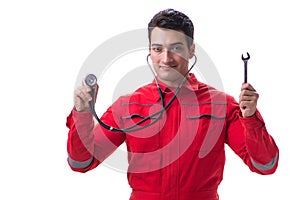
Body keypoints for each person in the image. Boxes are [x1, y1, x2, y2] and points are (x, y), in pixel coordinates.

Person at [66, 8, 279, 200]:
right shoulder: (128, 105)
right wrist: (82, 113)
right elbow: (82, 162)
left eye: (175, 48)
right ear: (150, 51)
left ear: (191, 50)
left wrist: (250, 118)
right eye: (158, 49)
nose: (166, 59)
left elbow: (264, 164)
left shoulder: (221, 105)